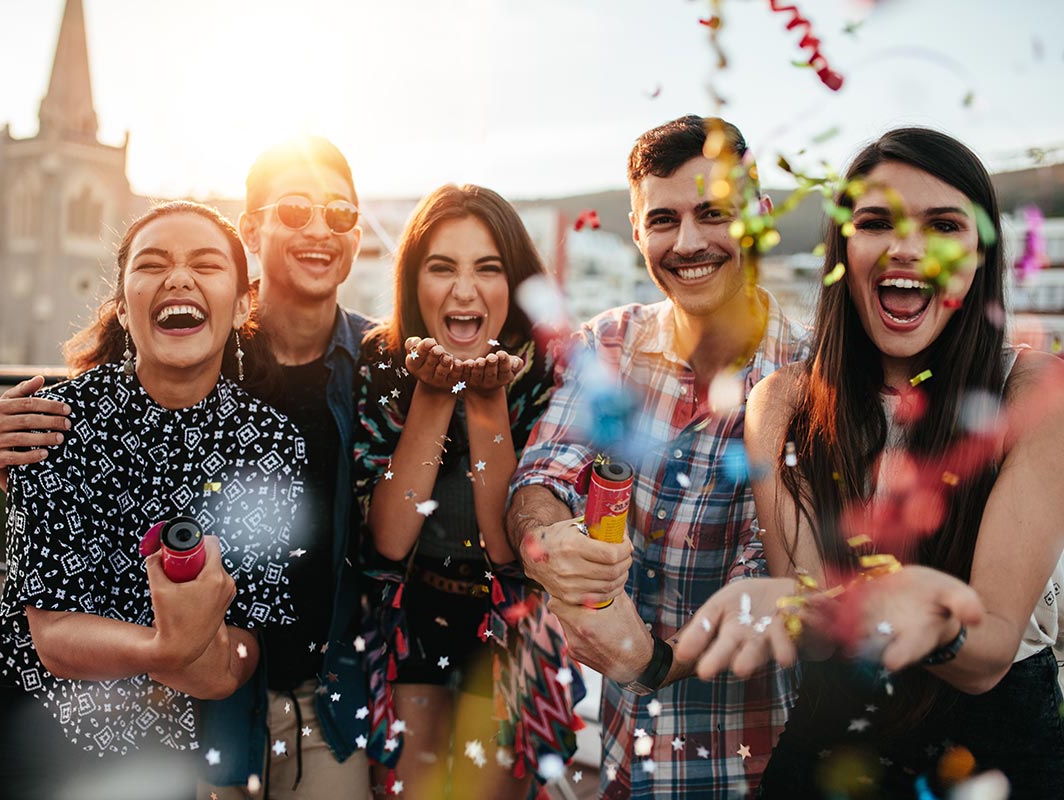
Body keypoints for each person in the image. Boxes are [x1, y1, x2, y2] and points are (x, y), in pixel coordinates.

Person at [0, 136, 373, 798]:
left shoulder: (381, 366)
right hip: (183, 703)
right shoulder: (187, 347)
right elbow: (95, 471)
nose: (319, 230)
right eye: (295, 211)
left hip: (305, 688)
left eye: (342, 214)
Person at [675, 128, 1064, 798]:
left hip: (998, 756)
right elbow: (809, 616)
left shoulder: (1032, 393)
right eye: (875, 221)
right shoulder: (783, 401)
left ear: (980, 256)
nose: (905, 246)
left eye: (944, 224)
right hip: (832, 749)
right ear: (841, 251)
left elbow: (990, 653)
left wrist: (915, 616)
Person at [0, 201, 304, 800]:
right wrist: (173, 646)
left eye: (205, 264)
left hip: (151, 760)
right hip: (8, 736)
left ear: (241, 306)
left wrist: (197, 654)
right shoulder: (57, 417)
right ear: (125, 308)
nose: (178, 278)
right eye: (153, 264)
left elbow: (235, 660)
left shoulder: (272, 444)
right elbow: (53, 637)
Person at [505, 115, 809, 797]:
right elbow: (543, 473)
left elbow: (787, 578)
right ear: (638, 230)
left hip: (764, 767)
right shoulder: (609, 343)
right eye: (664, 219)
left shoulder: (814, 372)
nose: (689, 242)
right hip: (626, 764)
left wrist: (652, 662)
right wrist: (547, 537)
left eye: (714, 214)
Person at [353, 184, 581, 798]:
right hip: (414, 607)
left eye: (488, 268)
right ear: (412, 282)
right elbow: (391, 540)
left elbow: (510, 555)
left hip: (509, 617)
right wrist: (432, 396)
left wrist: (486, 406)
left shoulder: (550, 371)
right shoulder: (382, 360)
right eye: (441, 268)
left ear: (515, 283)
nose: (463, 290)